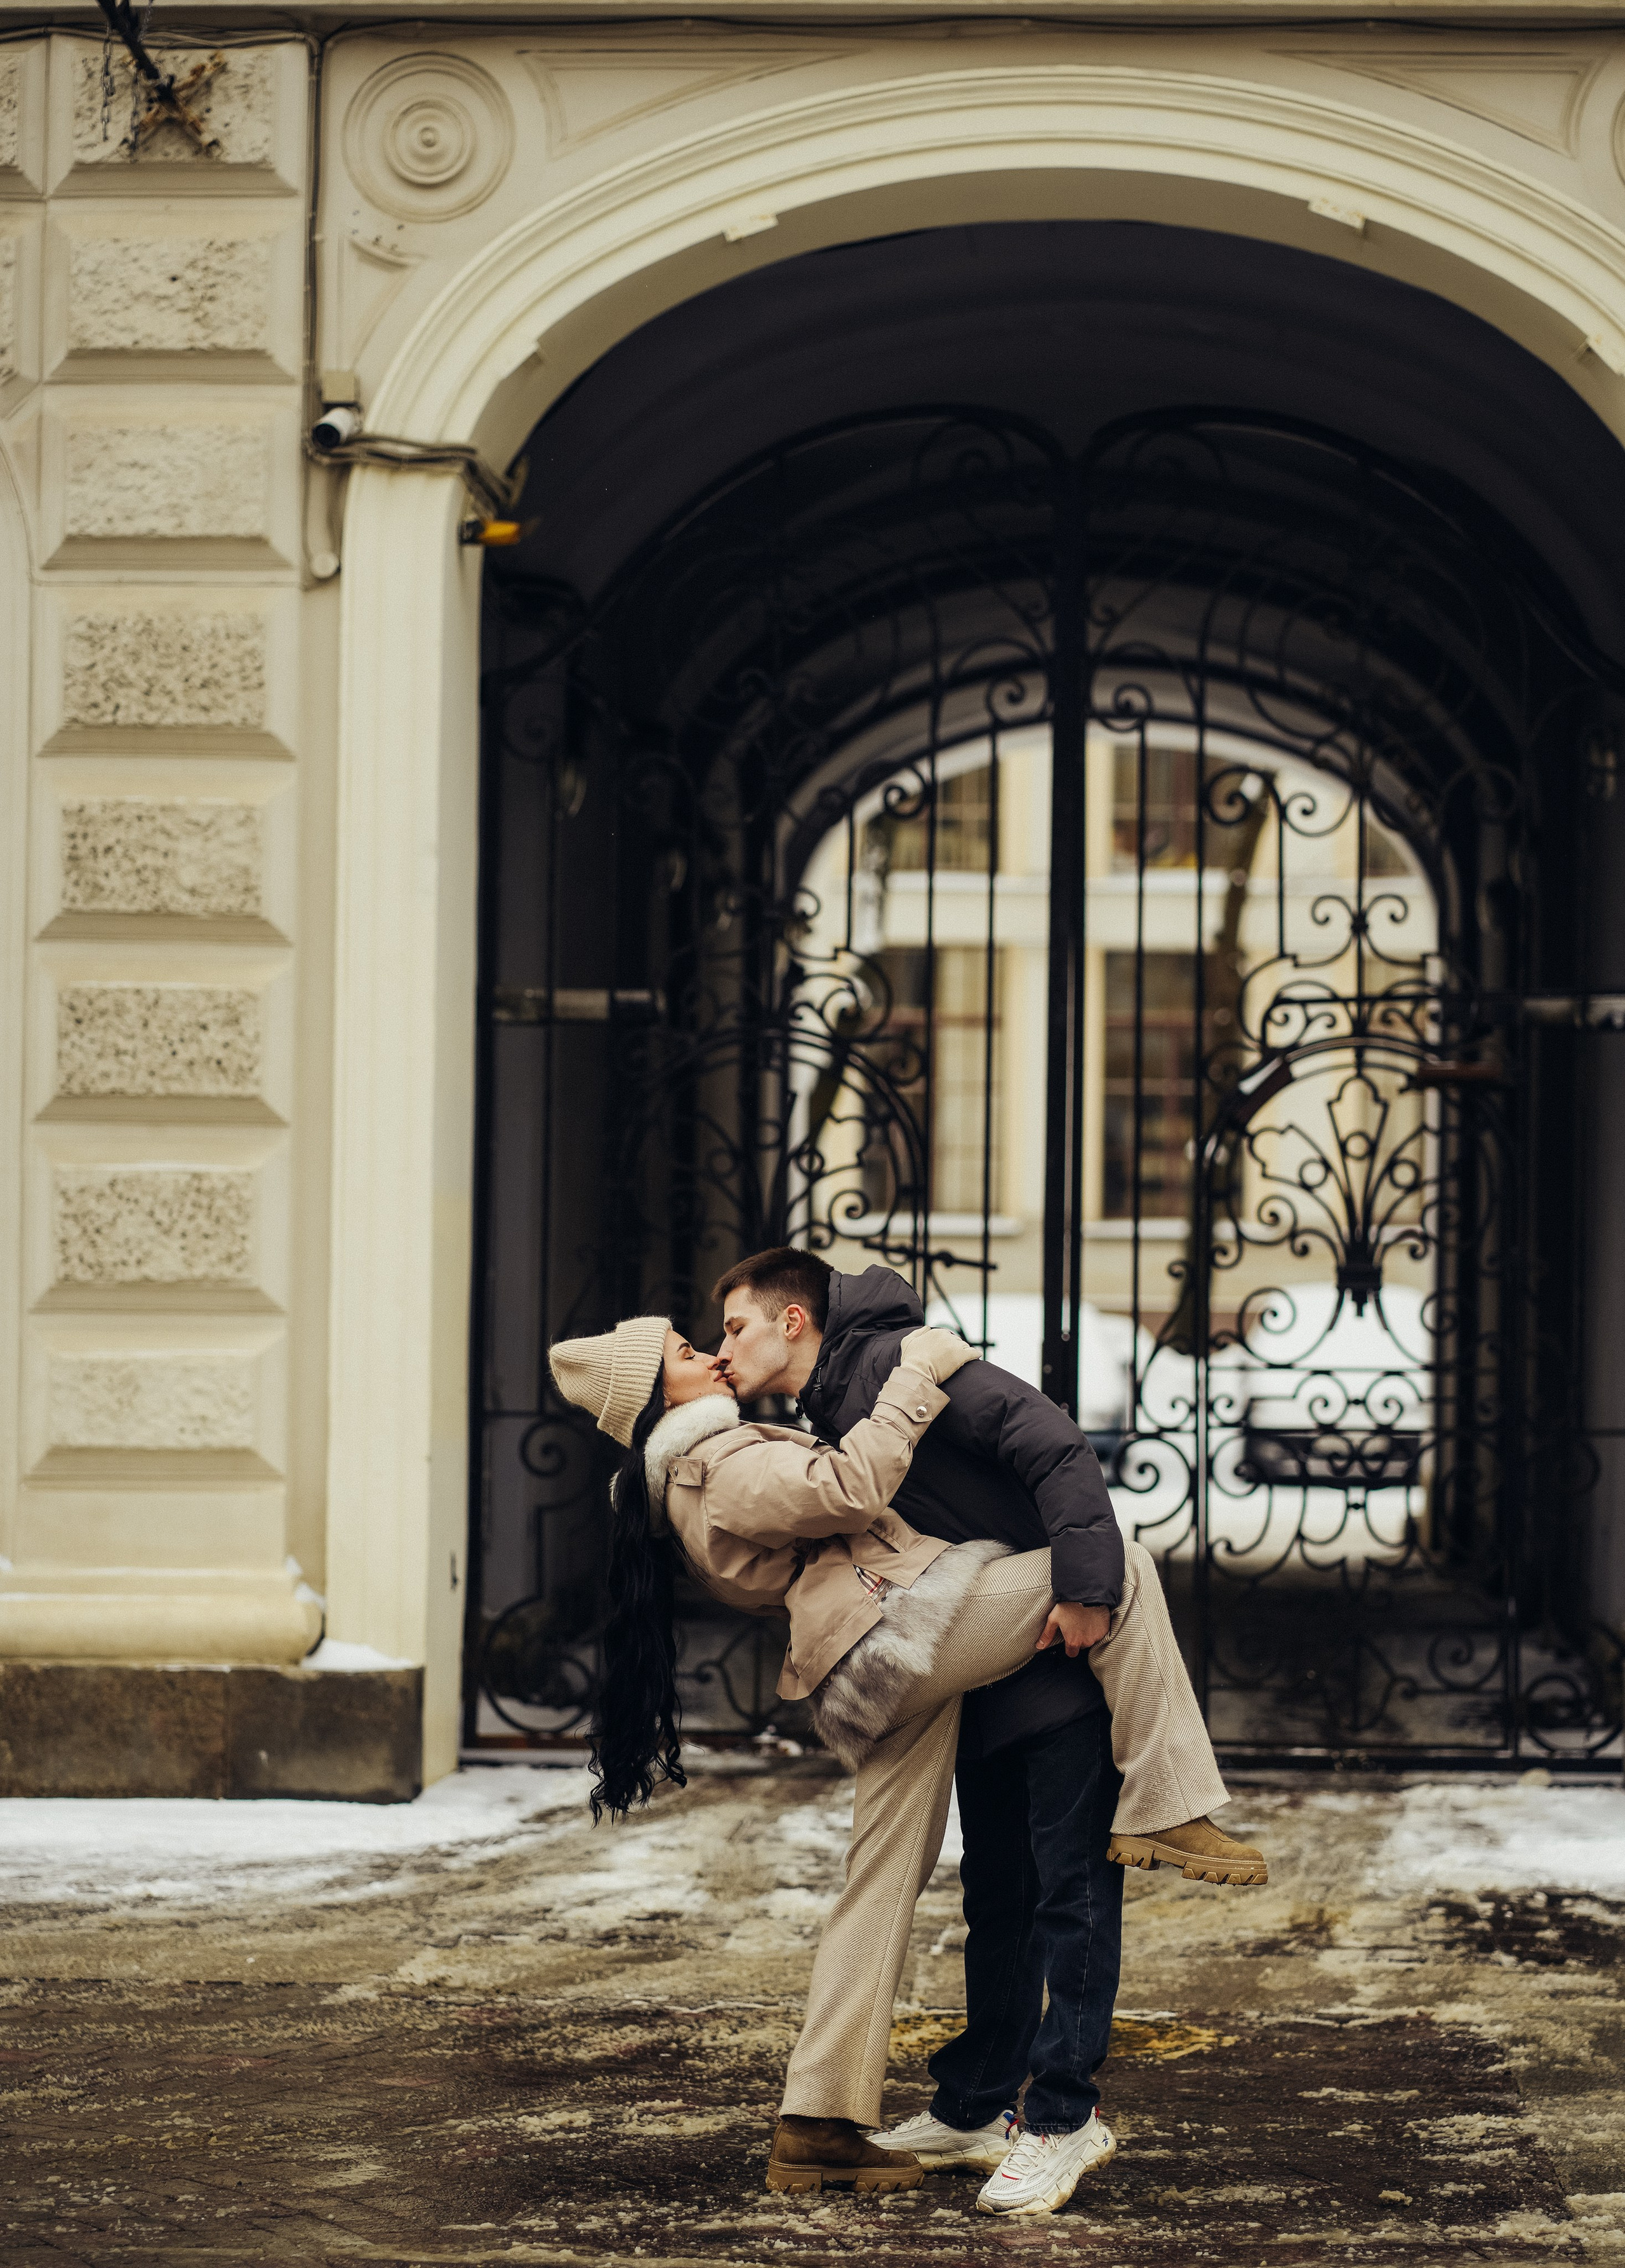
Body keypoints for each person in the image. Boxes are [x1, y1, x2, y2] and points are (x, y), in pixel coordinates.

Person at [551, 1285, 1261, 2219]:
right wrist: (920, 1374)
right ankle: (1170, 1798)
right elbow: (851, 1487)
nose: (710, 1353)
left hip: (873, 1658)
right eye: (688, 1351)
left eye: (711, 1336)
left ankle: (823, 2116)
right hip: (899, 1633)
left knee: (879, 1876)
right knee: (1116, 1564)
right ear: (656, 1396)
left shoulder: (704, 1462)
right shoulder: (714, 1468)